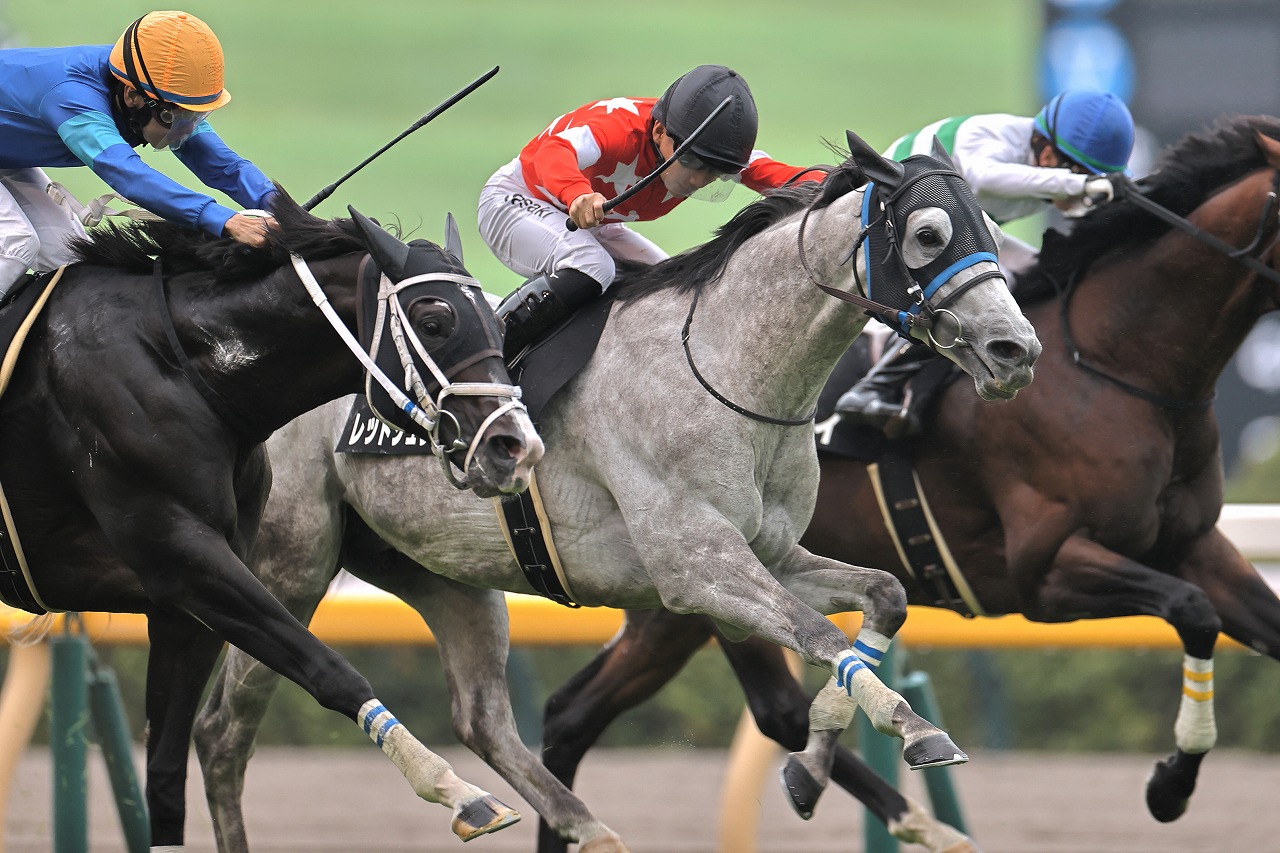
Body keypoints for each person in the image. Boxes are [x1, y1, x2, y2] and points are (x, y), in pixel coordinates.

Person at [834, 89, 1136, 435]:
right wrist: (1083, 183)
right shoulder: (991, 135)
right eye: (1080, 172)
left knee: (1041, 273)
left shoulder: (1045, 165)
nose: (1079, 189)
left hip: (953, 238)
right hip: (890, 231)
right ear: (1048, 153)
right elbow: (983, 178)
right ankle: (876, 386)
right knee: (982, 288)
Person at [477, 63, 827, 357]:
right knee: (592, 265)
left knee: (671, 292)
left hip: (591, 224)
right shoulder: (616, 129)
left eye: (714, 172)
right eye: (691, 162)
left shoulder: (708, 145)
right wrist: (576, 193)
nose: (697, 180)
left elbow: (783, 176)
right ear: (659, 131)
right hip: (514, 200)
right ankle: (488, 353)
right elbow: (553, 150)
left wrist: (845, 182)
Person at [0, 10, 277, 301]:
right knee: (14, 244)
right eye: (175, 117)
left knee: (68, 260)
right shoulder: (71, 97)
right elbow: (127, 174)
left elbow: (223, 166)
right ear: (132, 96)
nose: (188, 130)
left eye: (196, 116)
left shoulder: (151, 88)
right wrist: (226, 220)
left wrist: (280, 208)